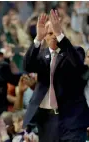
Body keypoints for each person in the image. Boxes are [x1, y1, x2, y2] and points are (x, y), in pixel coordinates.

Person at [23, 9, 89, 141]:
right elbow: (28, 66)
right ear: (45, 36)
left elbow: (77, 64)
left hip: (71, 119)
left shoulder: (75, 51)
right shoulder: (41, 56)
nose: (53, 36)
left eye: (56, 33)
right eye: (50, 33)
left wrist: (59, 33)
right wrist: (37, 38)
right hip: (47, 121)